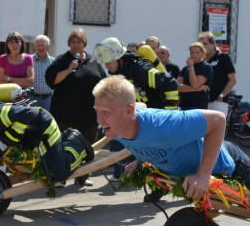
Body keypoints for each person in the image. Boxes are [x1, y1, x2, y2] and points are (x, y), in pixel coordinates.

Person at [93, 75, 250, 200]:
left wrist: (203, 175)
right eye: (97, 110)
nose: (99, 120)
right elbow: (141, 109)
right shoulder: (117, 127)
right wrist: (139, 160)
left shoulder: (164, 125)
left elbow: (218, 119)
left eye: (106, 112)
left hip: (231, 165)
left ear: (128, 111)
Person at [92, 37, 179, 200]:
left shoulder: (139, 68)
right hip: (146, 116)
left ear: (118, 58)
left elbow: (170, 84)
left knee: (162, 153)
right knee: (152, 153)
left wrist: (170, 115)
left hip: (160, 115)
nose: (106, 66)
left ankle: (166, 187)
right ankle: (160, 188)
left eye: (109, 62)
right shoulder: (120, 72)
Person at [45, 28, 106, 187]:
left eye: (78, 42)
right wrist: (68, 70)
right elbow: (51, 81)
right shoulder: (61, 60)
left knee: (88, 146)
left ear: (84, 43)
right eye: (72, 42)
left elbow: (103, 82)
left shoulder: (94, 61)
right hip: (65, 114)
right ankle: (61, 177)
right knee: (63, 146)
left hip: (88, 114)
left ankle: (83, 177)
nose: (75, 45)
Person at [198, 31, 237, 116]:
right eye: (201, 45)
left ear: (214, 45)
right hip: (203, 102)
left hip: (218, 102)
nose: (203, 47)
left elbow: (232, 80)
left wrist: (221, 96)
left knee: (218, 129)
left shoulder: (223, 58)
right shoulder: (201, 62)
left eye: (205, 44)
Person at [178, 42, 213, 110]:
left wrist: (191, 66)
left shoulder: (206, 67)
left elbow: (195, 84)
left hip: (198, 107)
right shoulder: (185, 69)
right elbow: (178, 87)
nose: (194, 55)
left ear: (203, 54)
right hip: (183, 106)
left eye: (197, 52)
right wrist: (197, 89)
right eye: (192, 52)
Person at [31, 35, 55, 111]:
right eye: (38, 45)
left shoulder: (54, 62)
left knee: (47, 121)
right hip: (32, 98)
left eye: (43, 45)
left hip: (49, 99)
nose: (41, 48)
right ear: (34, 46)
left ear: (49, 46)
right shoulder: (29, 60)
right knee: (32, 122)